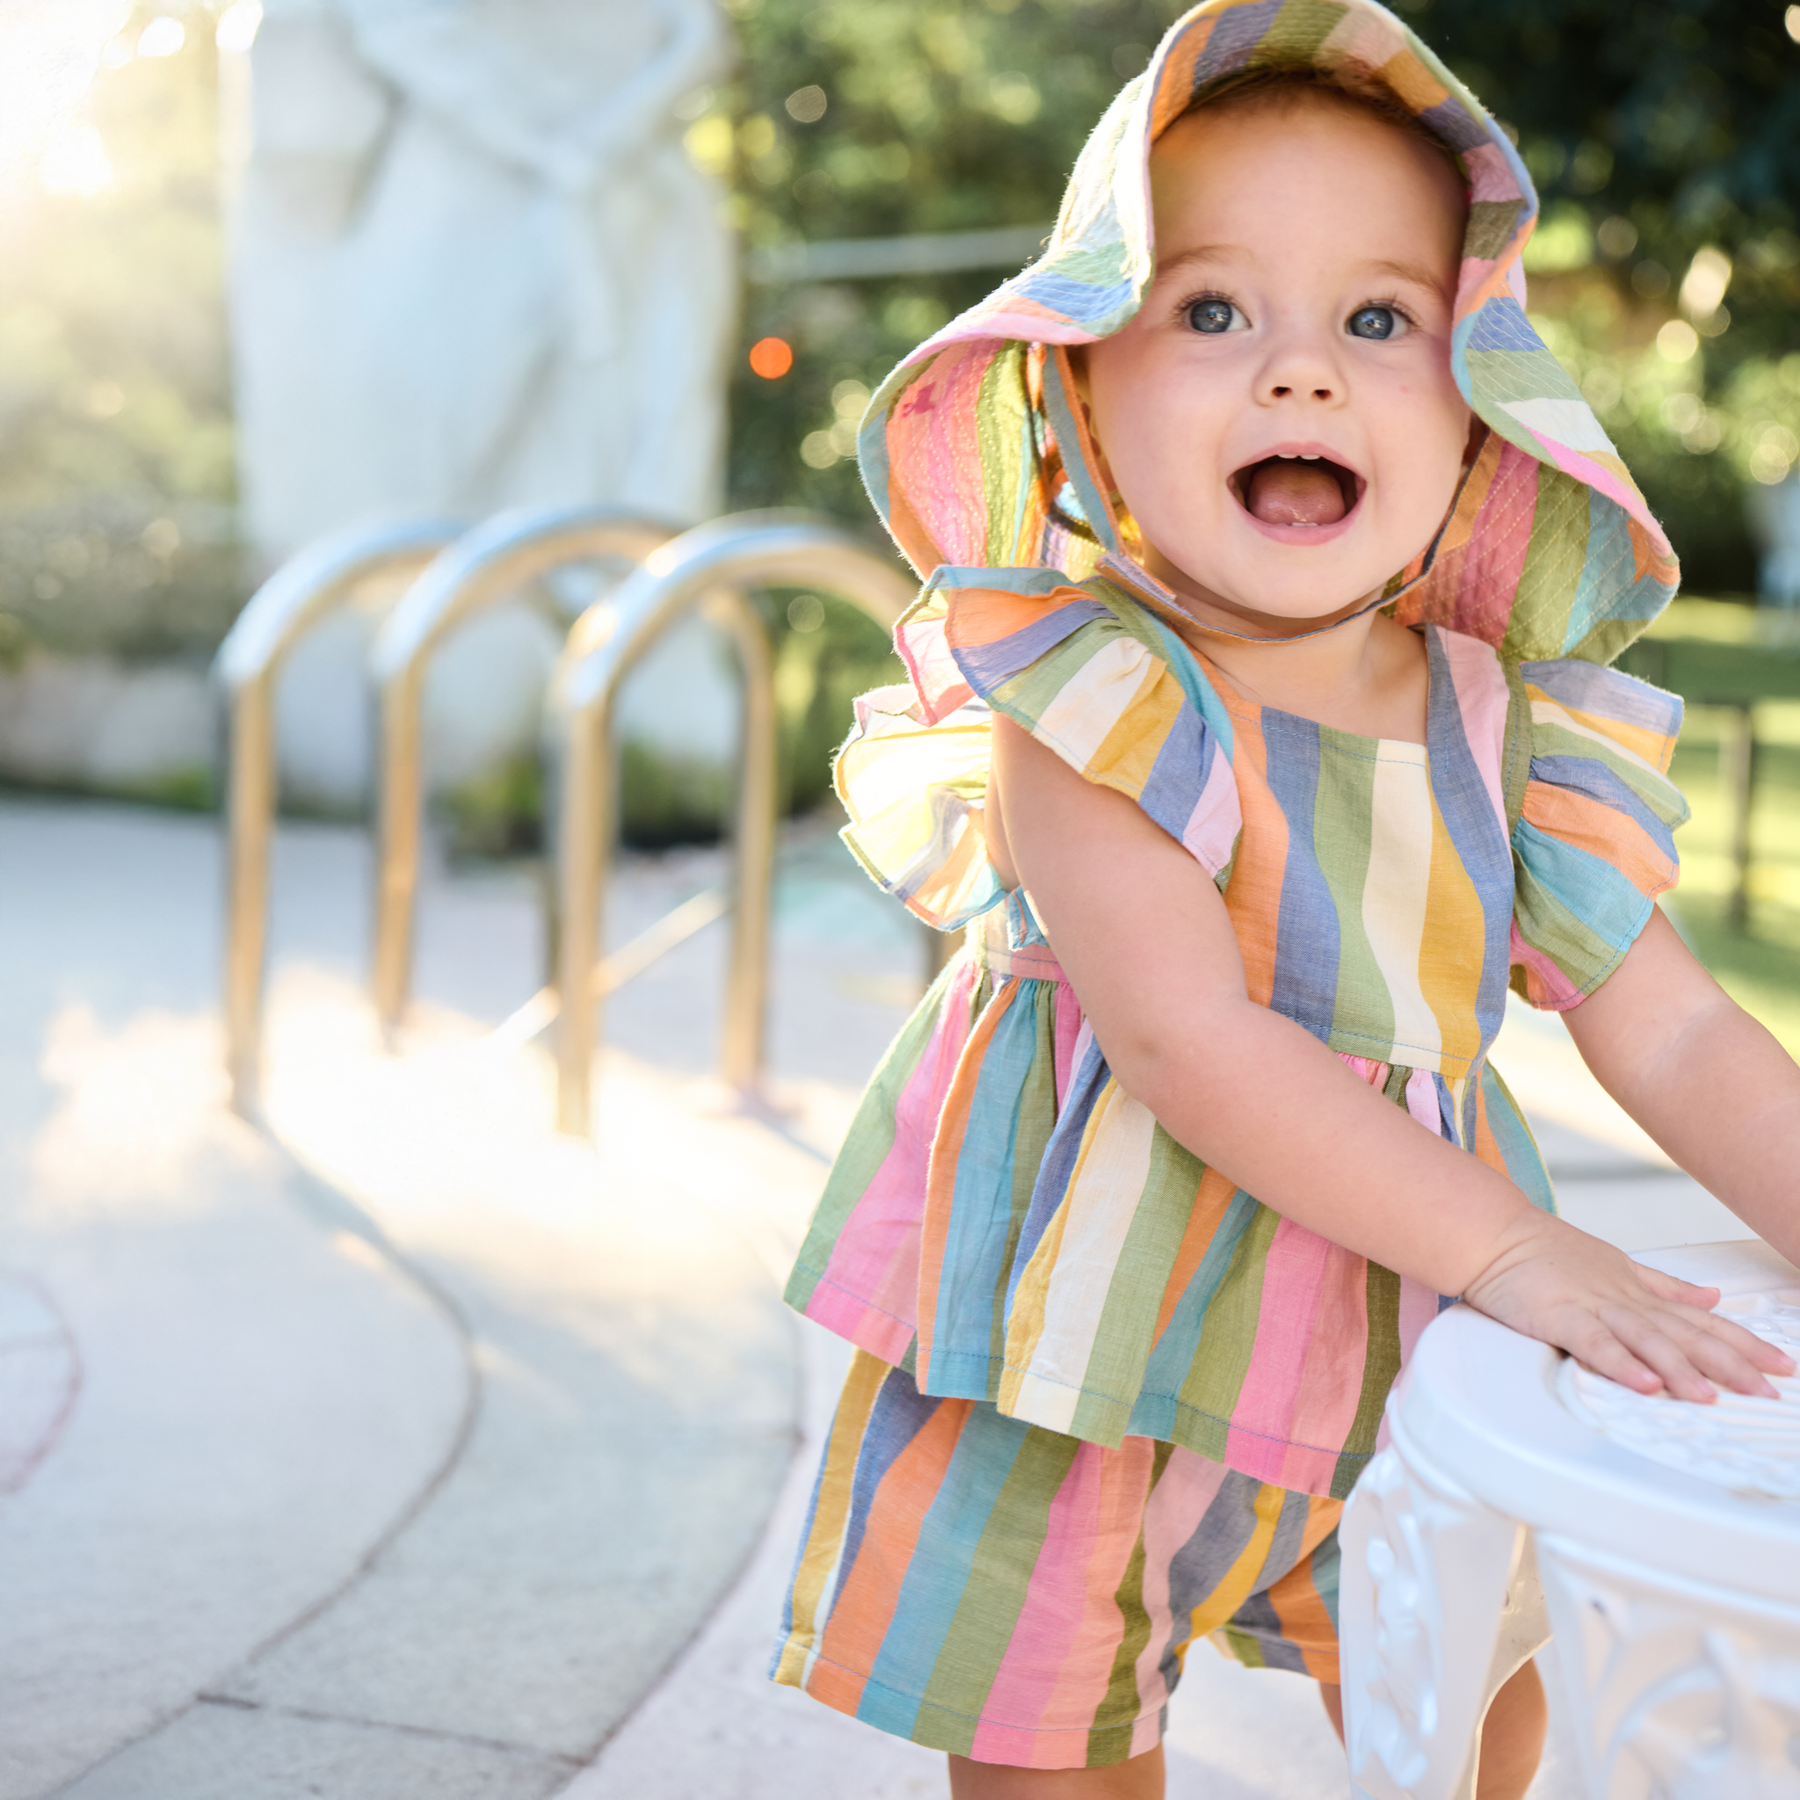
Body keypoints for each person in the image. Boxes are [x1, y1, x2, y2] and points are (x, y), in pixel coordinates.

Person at [770, 3, 1799, 1795]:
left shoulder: (1510, 733)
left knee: (1474, 1692)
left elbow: (1680, 1030)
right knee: (1057, 1737)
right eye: (1212, 311)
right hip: (1079, 1333)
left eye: (1378, 320)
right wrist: (1519, 1246)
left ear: (1477, 416)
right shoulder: (1092, 692)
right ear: (1080, 393)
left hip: (1404, 1318)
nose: (1302, 375)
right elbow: (1187, 1041)